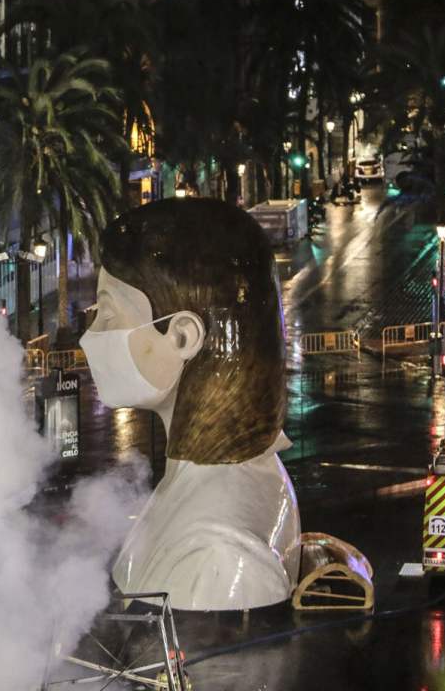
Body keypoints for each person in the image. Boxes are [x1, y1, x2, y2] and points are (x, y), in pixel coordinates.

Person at [81, 198, 302, 610]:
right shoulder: (192, 482)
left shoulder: (217, 559)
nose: (87, 336)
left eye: (108, 315)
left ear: (182, 336)